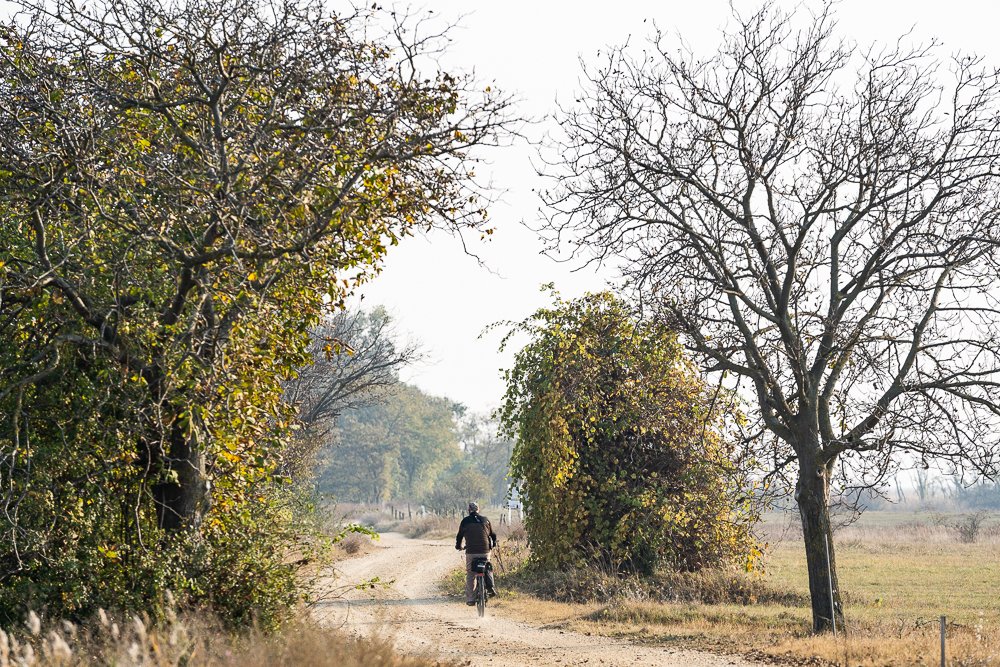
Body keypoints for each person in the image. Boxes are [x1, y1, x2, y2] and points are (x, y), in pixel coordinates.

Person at [455, 501, 497, 605]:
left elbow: (459, 536)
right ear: (478, 509)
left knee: (471, 574)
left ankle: (470, 599)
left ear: (469, 510)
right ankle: (491, 587)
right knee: (488, 568)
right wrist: (493, 545)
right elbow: (493, 535)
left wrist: (458, 546)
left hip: (471, 551)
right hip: (485, 551)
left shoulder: (465, 521)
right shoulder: (485, 520)